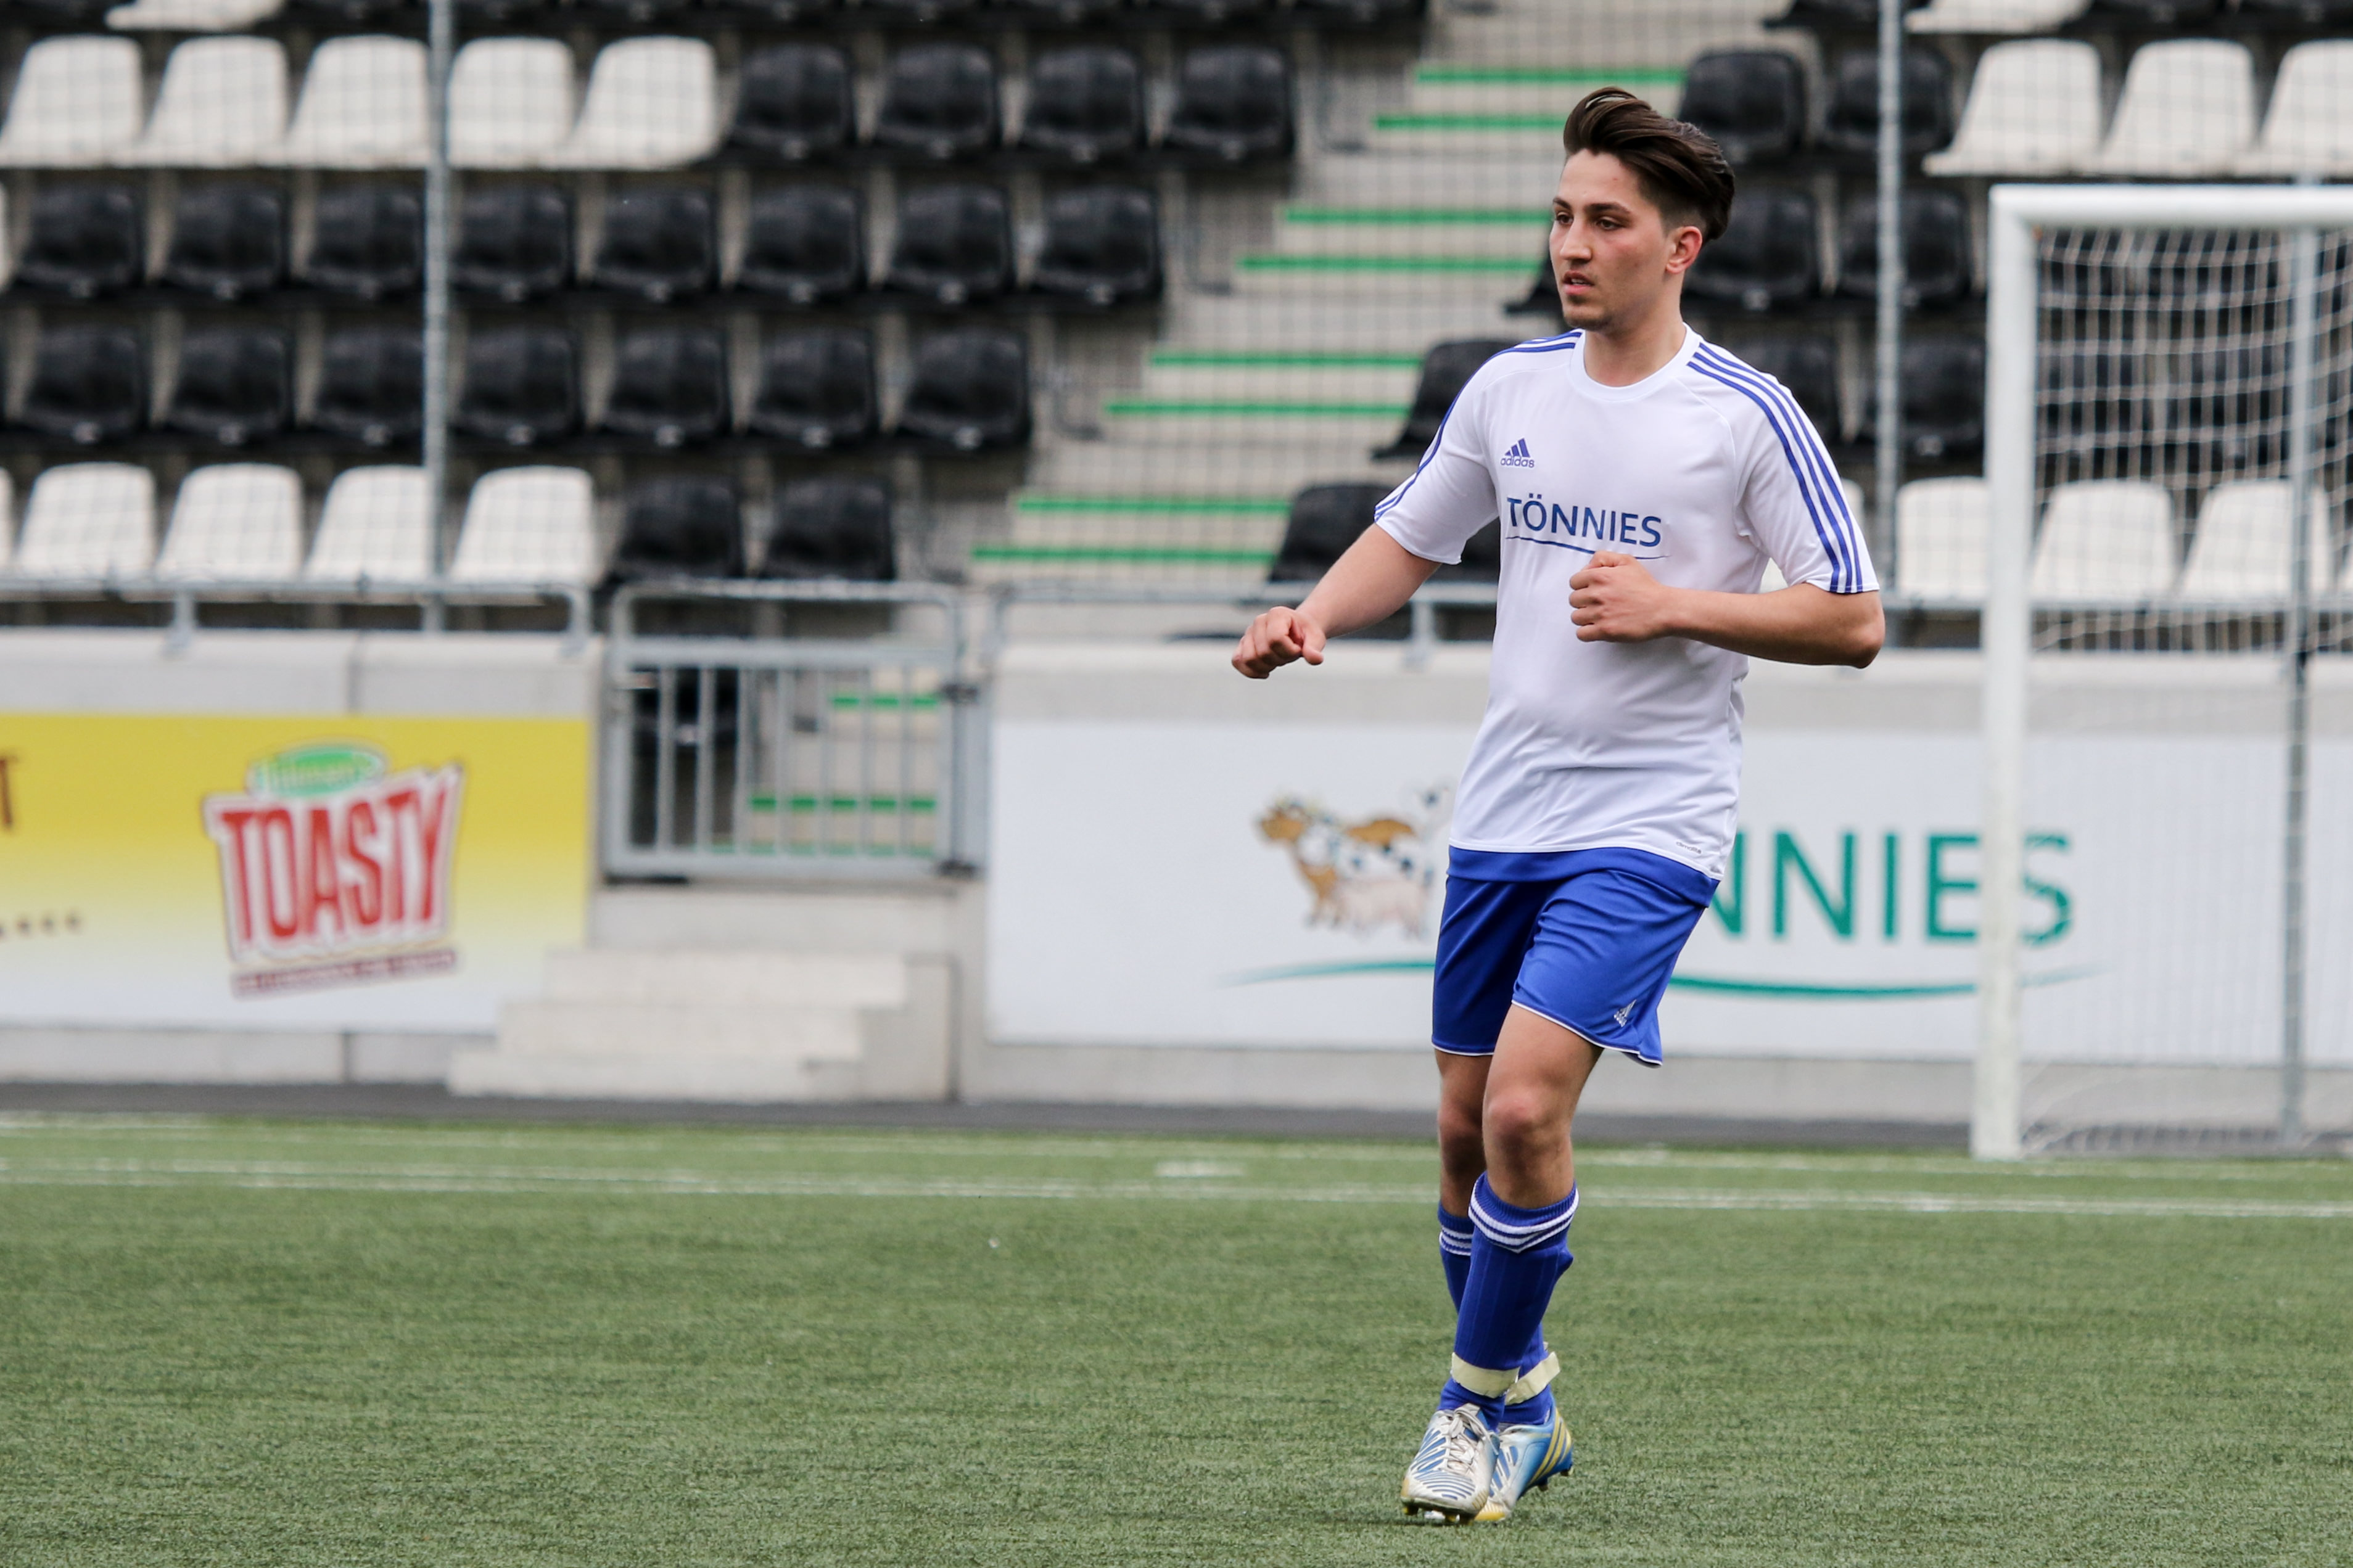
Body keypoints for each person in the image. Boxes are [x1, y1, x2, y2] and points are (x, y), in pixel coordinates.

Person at [1229, 88, 1884, 1525]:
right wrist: (1312, 614)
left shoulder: (1745, 416)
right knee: (1466, 1132)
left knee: (1527, 1108)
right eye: (1562, 216)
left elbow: (1852, 619)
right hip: (1502, 816)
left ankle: (1472, 1413)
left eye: (1607, 222)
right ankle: (1525, 1393)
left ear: (1680, 247)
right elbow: (1413, 534)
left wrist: (1677, 605)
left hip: (1650, 825)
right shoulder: (1510, 389)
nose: (1573, 245)